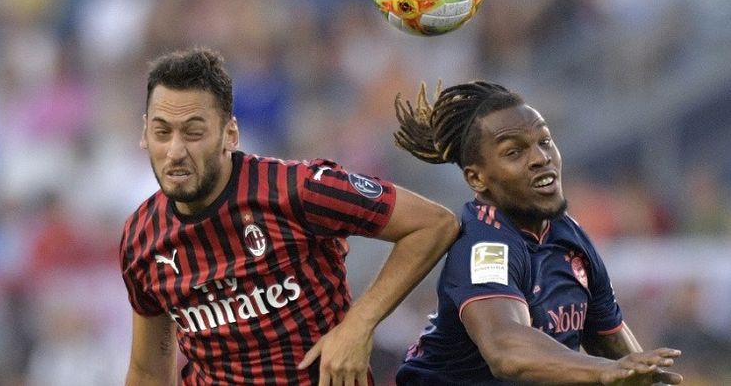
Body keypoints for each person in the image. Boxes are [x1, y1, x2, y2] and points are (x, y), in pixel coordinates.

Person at [118, 47, 459, 385]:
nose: (175, 151)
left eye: (193, 132)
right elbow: (149, 371)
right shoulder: (142, 237)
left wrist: (359, 325)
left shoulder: (295, 190)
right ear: (145, 134)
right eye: (162, 132)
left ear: (230, 134)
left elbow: (433, 224)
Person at [392, 80, 683, 385]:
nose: (540, 158)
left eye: (544, 141)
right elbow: (505, 349)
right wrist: (602, 371)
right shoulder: (483, 243)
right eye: (514, 152)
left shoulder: (569, 236)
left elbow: (620, 355)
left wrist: (640, 376)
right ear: (477, 178)